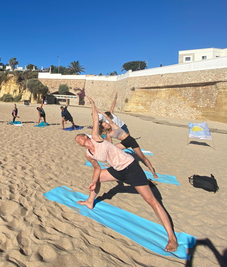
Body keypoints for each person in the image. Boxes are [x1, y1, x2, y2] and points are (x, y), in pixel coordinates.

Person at [75, 95, 178, 252]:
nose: (78, 141)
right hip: (117, 170)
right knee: (98, 178)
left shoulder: (96, 138)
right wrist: (94, 182)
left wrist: (92, 104)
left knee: (152, 201)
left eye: (79, 138)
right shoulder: (88, 154)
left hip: (130, 167)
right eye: (76, 142)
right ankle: (90, 201)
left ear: (85, 136)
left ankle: (172, 238)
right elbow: (96, 169)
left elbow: (95, 120)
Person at [99, 109, 158, 179]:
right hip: (124, 143)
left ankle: (153, 172)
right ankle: (110, 164)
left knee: (142, 157)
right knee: (112, 150)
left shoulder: (113, 125)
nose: (107, 124)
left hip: (130, 140)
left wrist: (100, 112)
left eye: (106, 123)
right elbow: (110, 144)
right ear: (104, 128)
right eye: (105, 125)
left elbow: (108, 118)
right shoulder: (108, 134)